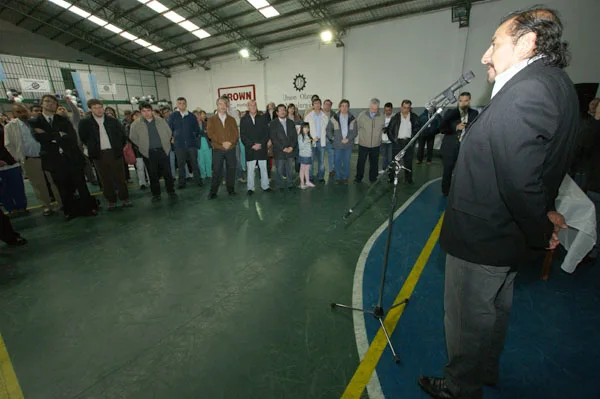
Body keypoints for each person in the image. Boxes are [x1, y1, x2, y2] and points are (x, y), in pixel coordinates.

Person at [418, 7, 580, 399]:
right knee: (493, 313)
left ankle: (460, 387)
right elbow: (540, 167)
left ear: (526, 44)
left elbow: (519, 179)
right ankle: (483, 371)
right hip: (504, 236)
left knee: (467, 320)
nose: (485, 55)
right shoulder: (554, 83)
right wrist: (543, 215)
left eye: (494, 44)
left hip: (482, 237)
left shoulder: (528, 91)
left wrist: (542, 232)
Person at [30, 94, 97, 220]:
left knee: (80, 184)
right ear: (42, 104)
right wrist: (58, 135)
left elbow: (70, 137)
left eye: (53, 102)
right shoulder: (35, 122)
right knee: (62, 187)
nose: (50, 104)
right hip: (54, 160)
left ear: (56, 105)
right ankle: (69, 211)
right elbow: (40, 138)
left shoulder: (63, 120)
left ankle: (88, 208)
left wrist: (50, 136)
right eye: (47, 101)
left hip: (71, 157)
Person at [4, 104, 59, 216]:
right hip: (30, 159)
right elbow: (8, 145)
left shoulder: (38, 122)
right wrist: (19, 158)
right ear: (14, 114)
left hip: (47, 156)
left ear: (28, 111)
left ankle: (62, 203)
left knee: (55, 181)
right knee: (39, 185)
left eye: (24, 111)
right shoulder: (10, 127)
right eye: (18, 112)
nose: (22, 114)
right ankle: (47, 206)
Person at [78, 99, 131, 210]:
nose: (98, 110)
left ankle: (125, 198)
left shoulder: (113, 121)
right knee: (105, 179)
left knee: (120, 177)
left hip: (114, 152)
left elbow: (122, 135)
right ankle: (111, 200)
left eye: (100, 107)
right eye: (95, 107)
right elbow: (83, 137)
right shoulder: (85, 122)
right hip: (98, 154)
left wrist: (118, 147)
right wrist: (92, 148)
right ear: (90, 109)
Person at [129, 103, 177, 202]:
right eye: (144, 111)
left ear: (151, 110)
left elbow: (169, 133)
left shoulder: (161, 121)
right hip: (148, 153)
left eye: (148, 110)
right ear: (140, 112)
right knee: (152, 174)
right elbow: (133, 137)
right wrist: (143, 146)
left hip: (162, 151)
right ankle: (156, 194)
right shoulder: (136, 124)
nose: (146, 113)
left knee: (167, 173)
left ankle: (171, 191)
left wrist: (165, 145)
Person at [439, 92, 479, 196]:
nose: (463, 103)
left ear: (469, 101)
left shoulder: (474, 113)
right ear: (458, 101)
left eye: (466, 101)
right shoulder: (450, 113)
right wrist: (455, 128)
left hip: (466, 147)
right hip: (450, 146)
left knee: (465, 171)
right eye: (461, 101)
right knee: (448, 170)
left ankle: (463, 192)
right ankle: (445, 191)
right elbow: (442, 129)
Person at [206, 97, 239, 198]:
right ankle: (213, 192)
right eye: (220, 104)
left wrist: (230, 142)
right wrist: (222, 142)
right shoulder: (212, 120)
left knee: (231, 170)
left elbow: (236, 133)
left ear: (227, 106)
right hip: (218, 149)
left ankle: (231, 190)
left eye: (225, 104)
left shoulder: (232, 120)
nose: (223, 106)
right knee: (216, 171)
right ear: (217, 106)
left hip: (230, 148)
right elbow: (210, 134)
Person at [168, 97, 202, 189]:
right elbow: (169, 129)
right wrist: (172, 137)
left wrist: (193, 138)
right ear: (177, 105)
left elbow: (197, 130)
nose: (181, 105)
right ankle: (182, 183)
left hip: (191, 145)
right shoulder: (173, 116)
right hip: (179, 145)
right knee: (180, 165)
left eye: (183, 103)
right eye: (179, 103)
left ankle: (198, 181)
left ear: (186, 104)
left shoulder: (191, 116)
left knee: (194, 163)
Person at [240, 99, 271, 195]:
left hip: (261, 148)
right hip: (250, 148)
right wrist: (252, 145)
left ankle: (265, 186)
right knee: (250, 169)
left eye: (254, 105)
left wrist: (260, 144)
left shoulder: (262, 118)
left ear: (256, 106)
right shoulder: (244, 120)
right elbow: (243, 136)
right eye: (251, 105)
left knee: (263, 168)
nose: (253, 107)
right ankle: (250, 188)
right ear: (248, 107)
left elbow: (266, 133)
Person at [387, 99, 421, 184]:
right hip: (397, 142)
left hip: (408, 143)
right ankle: (391, 178)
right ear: (401, 107)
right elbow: (389, 131)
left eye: (408, 108)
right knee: (395, 161)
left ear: (410, 108)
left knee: (408, 162)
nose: (406, 109)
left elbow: (418, 130)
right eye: (404, 107)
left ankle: (408, 179)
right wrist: (394, 141)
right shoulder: (395, 118)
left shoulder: (414, 117)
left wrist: (413, 141)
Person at [327, 99, 357, 184]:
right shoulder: (334, 118)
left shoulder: (352, 118)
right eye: (342, 106)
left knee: (346, 162)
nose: (344, 108)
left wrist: (348, 139)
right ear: (339, 107)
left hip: (348, 144)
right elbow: (328, 130)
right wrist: (333, 139)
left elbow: (355, 132)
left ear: (348, 108)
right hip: (338, 144)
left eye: (346, 106)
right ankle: (337, 177)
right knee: (337, 161)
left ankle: (345, 177)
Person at [355, 98, 385, 183]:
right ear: (369, 106)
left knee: (374, 163)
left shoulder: (381, 116)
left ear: (378, 107)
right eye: (372, 108)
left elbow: (383, 128)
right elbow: (357, 127)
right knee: (361, 162)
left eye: (376, 109)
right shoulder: (362, 115)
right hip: (363, 144)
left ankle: (373, 178)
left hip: (376, 144)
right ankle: (358, 178)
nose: (374, 111)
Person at [269, 104, 298, 190]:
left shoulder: (291, 122)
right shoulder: (273, 123)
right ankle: (280, 184)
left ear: (286, 111)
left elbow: (295, 137)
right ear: (277, 113)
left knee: (289, 168)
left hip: (290, 149)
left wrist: (291, 147)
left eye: (284, 110)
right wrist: (283, 148)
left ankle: (290, 183)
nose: (282, 111)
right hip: (279, 150)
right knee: (279, 169)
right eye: (280, 110)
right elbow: (273, 138)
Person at [194, 110, 212, 181]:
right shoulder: (193, 125)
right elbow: (195, 135)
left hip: (207, 145)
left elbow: (209, 133)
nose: (197, 117)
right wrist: (203, 132)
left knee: (209, 161)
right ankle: (203, 175)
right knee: (201, 162)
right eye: (195, 116)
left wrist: (203, 133)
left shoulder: (206, 123)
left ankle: (209, 174)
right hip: (199, 146)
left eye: (198, 115)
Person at [297, 122, 315, 189]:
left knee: (307, 169)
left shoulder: (309, 135)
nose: (307, 129)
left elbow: (312, 145)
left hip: (309, 155)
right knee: (302, 169)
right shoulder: (300, 136)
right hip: (303, 155)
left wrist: (314, 141)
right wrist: (307, 141)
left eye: (308, 127)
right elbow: (301, 147)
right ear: (302, 128)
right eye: (305, 127)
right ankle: (302, 183)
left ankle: (307, 181)